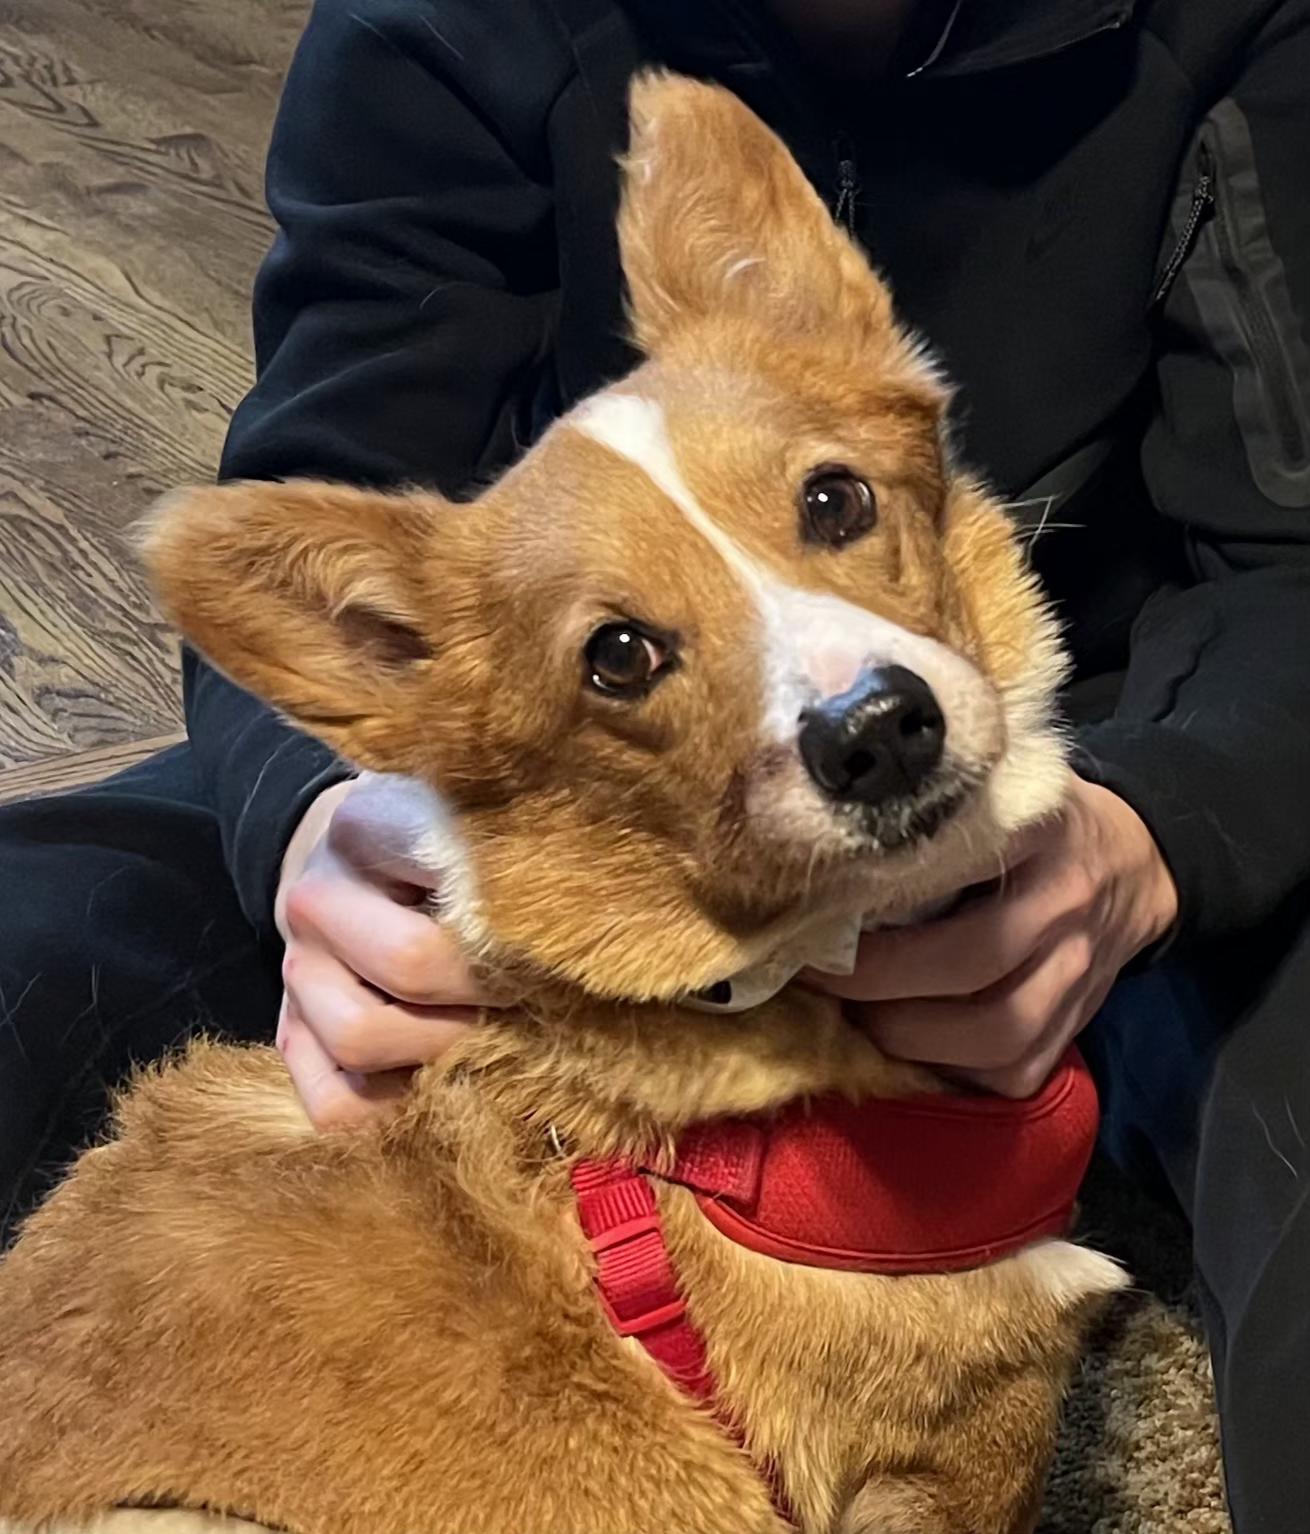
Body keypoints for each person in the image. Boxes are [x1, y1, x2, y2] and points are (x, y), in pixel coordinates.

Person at [2, 0, 1308, 1524]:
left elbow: (1287, 552)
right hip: (589, 782)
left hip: (1142, 715)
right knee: (37, 930)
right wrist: (315, 826)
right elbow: (342, 473)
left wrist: (1154, 828)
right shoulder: (443, 25)